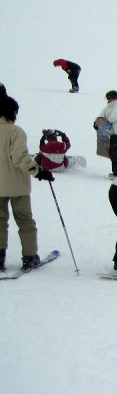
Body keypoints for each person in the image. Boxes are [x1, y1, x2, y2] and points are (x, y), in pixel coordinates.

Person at [0, 86, 53, 272]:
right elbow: (20, 157)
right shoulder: (15, 131)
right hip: (17, 187)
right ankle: (29, 257)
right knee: (25, 221)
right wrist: (38, 171)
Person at [97, 90, 117, 178]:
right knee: (111, 153)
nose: (109, 100)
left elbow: (114, 117)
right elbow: (102, 114)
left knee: (116, 153)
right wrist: (99, 121)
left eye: (110, 98)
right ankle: (115, 172)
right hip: (113, 133)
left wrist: (105, 122)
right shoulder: (109, 105)